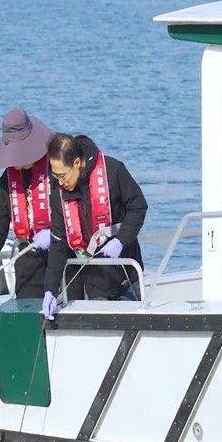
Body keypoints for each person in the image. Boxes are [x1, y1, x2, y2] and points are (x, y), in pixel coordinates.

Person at [41, 133, 147, 319]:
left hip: (126, 273)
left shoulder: (113, 170)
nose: (60, 181)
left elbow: (138, 207)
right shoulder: (59, 191)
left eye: (62, 175)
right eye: (55, 175)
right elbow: (58, 243)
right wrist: (50, 289)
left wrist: (121, 240)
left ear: (76, 163)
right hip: (95, 281)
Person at [0, 108, 53, 299]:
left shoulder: (56, 170)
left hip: (61, 257)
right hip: (28, 262)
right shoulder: (6, 182)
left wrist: (54, 234)